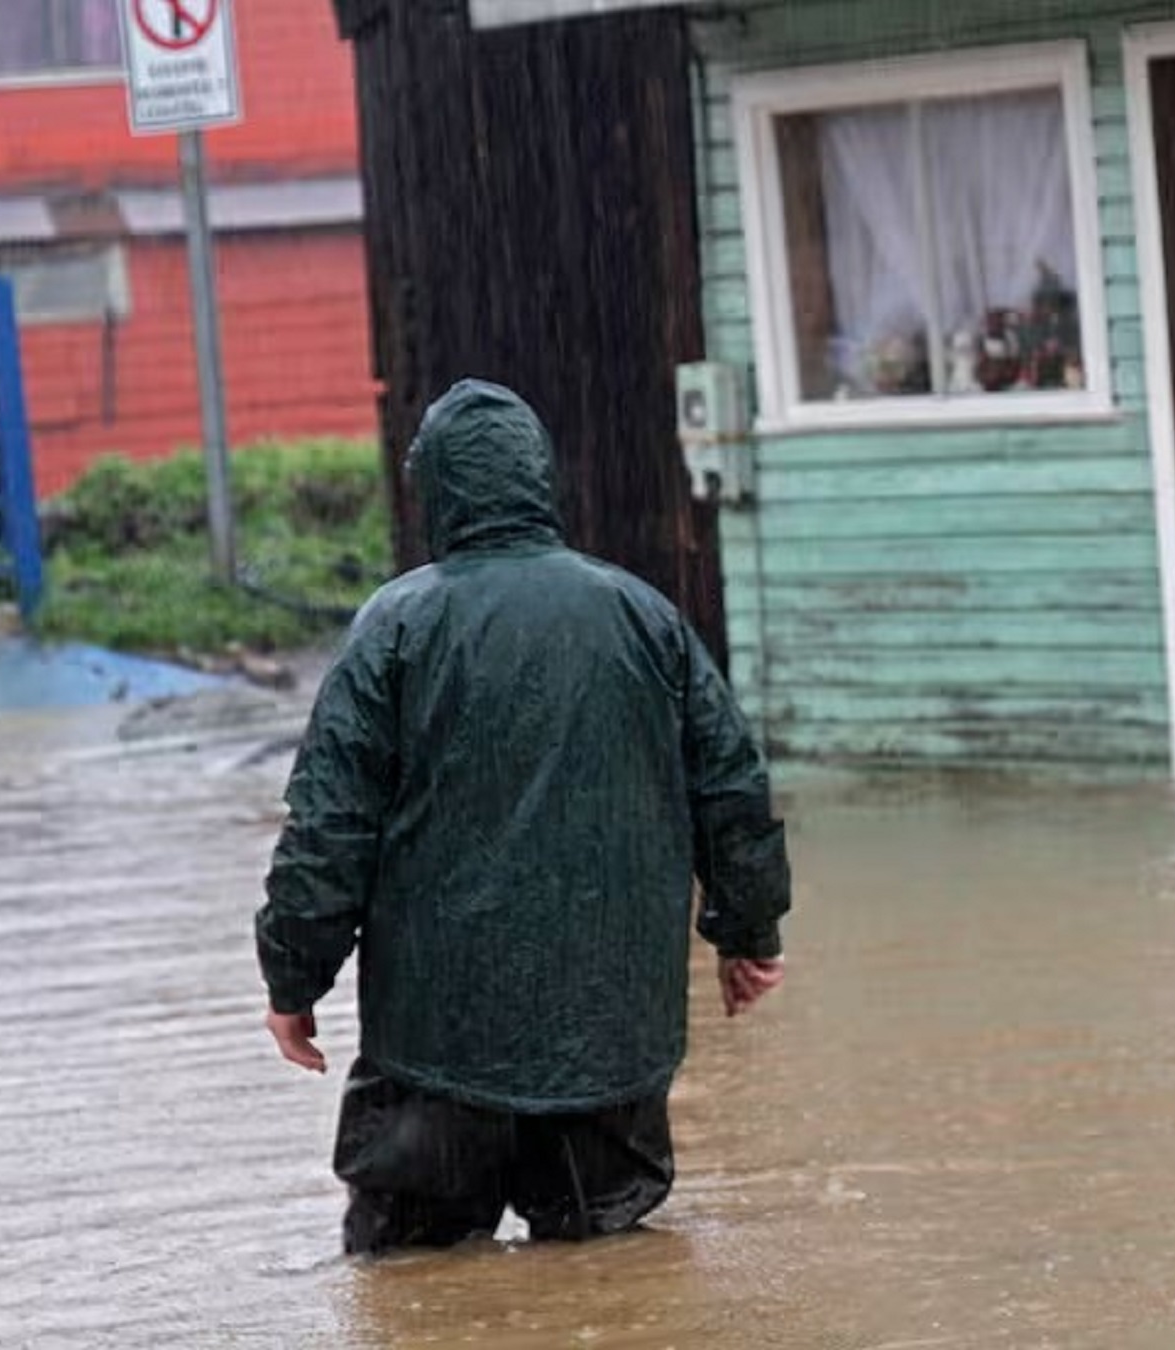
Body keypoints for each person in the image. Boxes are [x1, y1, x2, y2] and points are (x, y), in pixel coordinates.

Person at [255, 380, 790, 1256]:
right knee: (611, 1285)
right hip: (610, 1050)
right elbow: (732, 790)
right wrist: (748, 929)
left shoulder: (396, 625)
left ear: (438, 492)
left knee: (413, 1290)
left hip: (435, 1054)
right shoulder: (644, 615)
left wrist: (293, 978)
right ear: (539, 482)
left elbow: (326, 829)